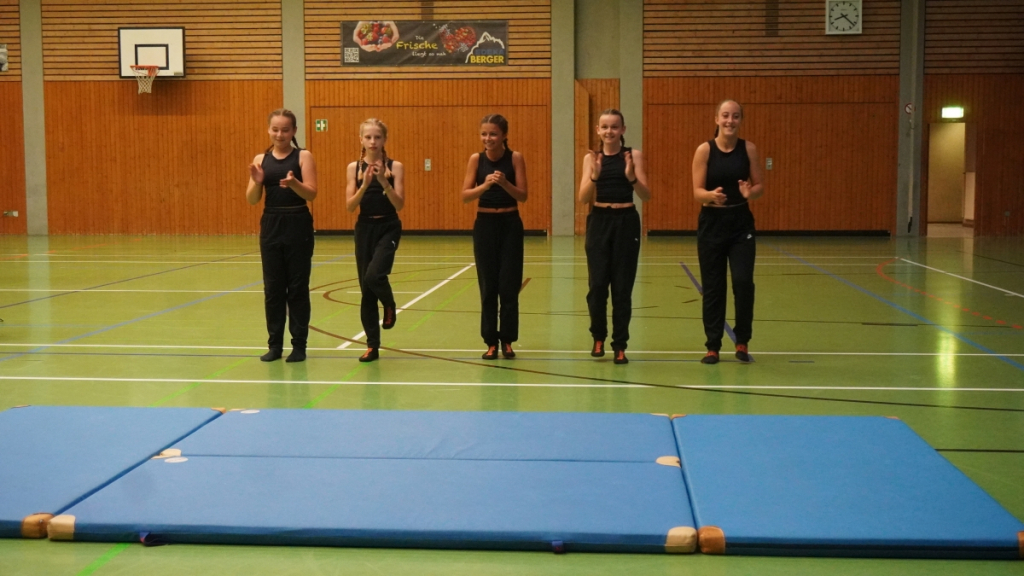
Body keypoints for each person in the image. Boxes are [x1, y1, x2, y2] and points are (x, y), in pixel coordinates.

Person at [690, 99, 764, 364]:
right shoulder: (704, 150)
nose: (730, 120)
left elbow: (759, 186)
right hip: (712, 224)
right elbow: (697, 191)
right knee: (713, 287)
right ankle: (713, 346)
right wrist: (710, 196)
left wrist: (749, 192)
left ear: (740, 120)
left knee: (743, 283)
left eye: (735, 116)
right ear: (716, 119)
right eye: (725, 115)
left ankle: (742, 341)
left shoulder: (749, 149)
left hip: (741, 224)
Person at [577, 109, 650, 365]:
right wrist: (594, 175)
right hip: (599, 221)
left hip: (626, 222)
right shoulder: (591, 158)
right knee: (597, 286)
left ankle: (620, 344)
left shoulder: (633, 155)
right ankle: (598, 337)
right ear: (598, 130)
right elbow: (583, 198)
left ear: (623, 130)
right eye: (605, 127)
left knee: (622, 288)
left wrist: (631, 178)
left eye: (614, 127)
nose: (609, 131)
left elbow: (646, 195)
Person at [246, 108, 318, 363]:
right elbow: (252, 199)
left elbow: (311, 193)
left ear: (294, 131)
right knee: (273, 289)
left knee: (297, 288)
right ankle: (274, 345)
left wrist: (294, 183)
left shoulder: (303, 156)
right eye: (275, 129)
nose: (280, 134)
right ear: (269, 130)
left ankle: (299, 346)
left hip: (298, 223)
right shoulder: (261, 159)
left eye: (285, 130)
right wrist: (258, 181)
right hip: (271, 225)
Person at [461, 114, 528, 360]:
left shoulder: (515, 158)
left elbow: (522, 196)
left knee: (508, 286)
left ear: (504, 135)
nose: (488, 138)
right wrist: (486, 185)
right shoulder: (476, 160)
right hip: (485, 225)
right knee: (488, 286)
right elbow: (465, 196)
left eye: (493, 134)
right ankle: (490, 341)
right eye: (484, 134)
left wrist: (505, 184)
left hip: (510, 224)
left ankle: (507, 340)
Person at [346, 118, 405, 363]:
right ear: (361, 139)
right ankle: (372, 345)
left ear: (384, 140)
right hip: (364, 228)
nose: (372, 141)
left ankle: (389, 304)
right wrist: (365, 185)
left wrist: (383, 182)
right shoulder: (354, 168)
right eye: (368, 137)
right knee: (366, 289)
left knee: (374, 275)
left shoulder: (395, 167)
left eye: (377, 137)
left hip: (388, 227)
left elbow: (399, 204)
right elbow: (350, 206)